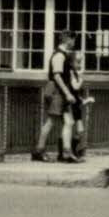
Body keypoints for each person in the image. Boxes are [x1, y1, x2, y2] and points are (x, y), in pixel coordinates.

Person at [34, 31, 80, 163]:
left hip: (60, 91)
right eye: (73, 39)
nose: (74, 42)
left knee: (69, 122)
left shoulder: (63, 55)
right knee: (51, 121)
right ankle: (39, 151)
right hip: (57, 91)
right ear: (68, 40)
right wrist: (68, 93)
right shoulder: (59, 55)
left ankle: (66, 153)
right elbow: (57, 76)